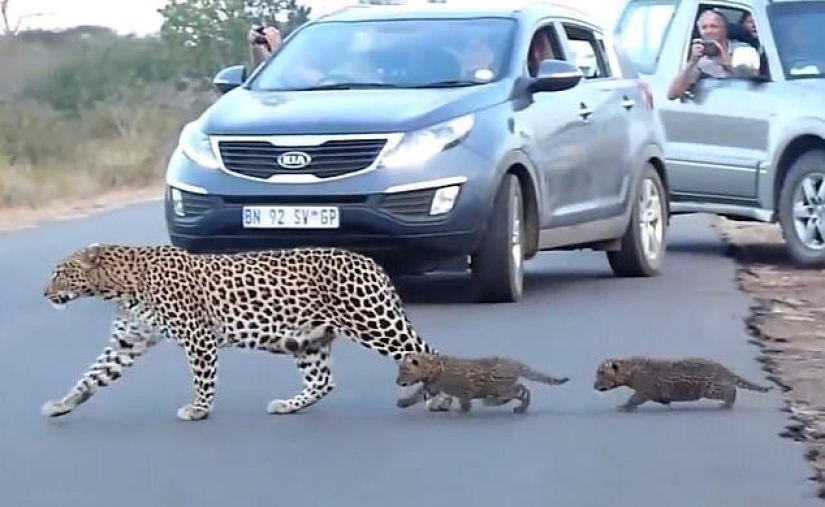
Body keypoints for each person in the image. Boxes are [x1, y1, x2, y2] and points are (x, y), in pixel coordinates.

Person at [666, 9, 751, 100]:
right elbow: (672, 95)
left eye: (713, 26)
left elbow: (753, 81)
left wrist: (726, 62)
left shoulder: (743, 49)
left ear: (725, 29)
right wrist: (692, 62)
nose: (708, 31)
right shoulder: (700, 61)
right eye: (704, 27)